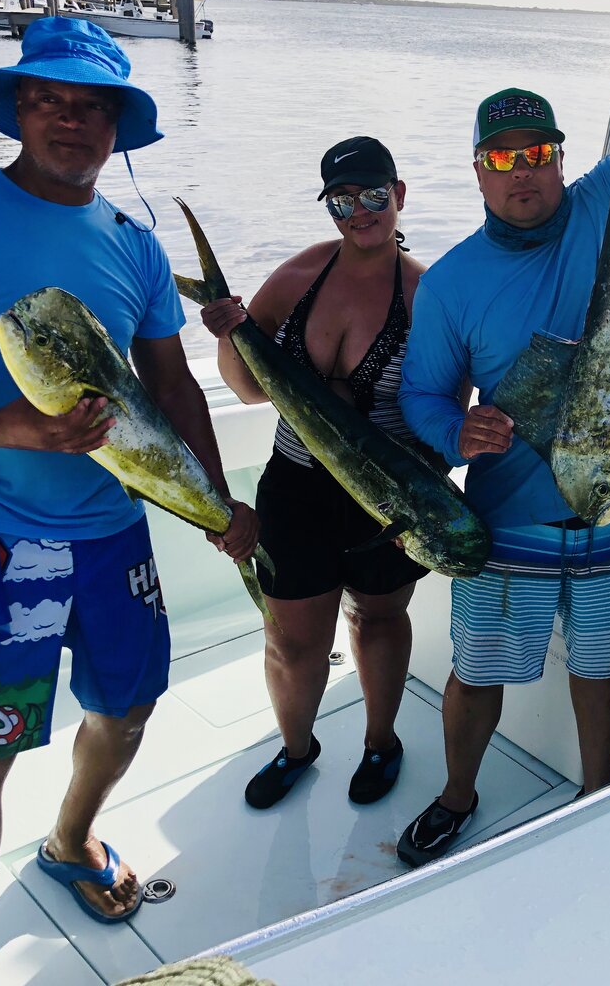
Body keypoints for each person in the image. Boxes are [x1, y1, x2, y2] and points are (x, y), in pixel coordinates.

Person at [0, 18, 257, 985]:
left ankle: (70, 840)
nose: (71, 120)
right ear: (19, 108)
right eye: (50, 99)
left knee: (129, 709)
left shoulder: (134, 244)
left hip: (114, 528)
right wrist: (4, 427)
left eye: (92, 106)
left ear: (118, 125)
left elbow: (171, 385)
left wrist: (219, 502)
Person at [394, 0, 610, 866]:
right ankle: (457, 795)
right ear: (477, 171)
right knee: (478, 671)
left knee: (600, 666)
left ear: (561, 158)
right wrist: (454, 430)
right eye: (504, 158)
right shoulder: (452, 280)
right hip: (508, 520)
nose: (525, 172)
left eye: (539, 153)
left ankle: (595, 794)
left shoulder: (608, 201)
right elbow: (422, 395)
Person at [198, 136, 435, 809]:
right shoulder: (300, 275)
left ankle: (381, 742)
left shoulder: (426, 294)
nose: (360, 212)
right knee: (292, 644)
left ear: (399, 194)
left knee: (379, 621)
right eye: (341, 201)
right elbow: (249, 388)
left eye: (373, 195)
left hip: (386, 498)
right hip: (295, 486)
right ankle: (296, 749)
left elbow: (443, 407)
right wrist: (229, 333)